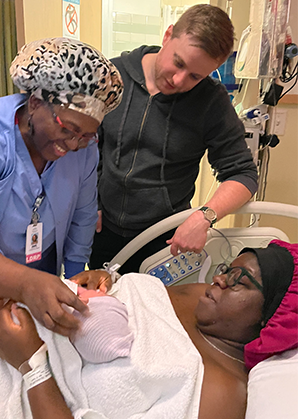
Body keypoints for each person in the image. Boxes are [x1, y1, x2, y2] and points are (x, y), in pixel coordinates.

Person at [0, 37, 123, 336]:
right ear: (35, 103)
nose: (72, 145)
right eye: (67, 129)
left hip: (41, 266)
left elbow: (83, 216)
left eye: (85, 135)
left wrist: (73, 278)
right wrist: (24, 283)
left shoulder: (85, 149)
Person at [0, 239, 297, 419]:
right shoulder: (205, 300)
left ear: (272, 319)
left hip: (8, 372)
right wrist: (106, 283)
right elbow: (138, 297)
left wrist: (33, 365)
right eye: (228, 269)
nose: (219, 279)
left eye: (240, 282)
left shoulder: (220, 396)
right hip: (4, 317)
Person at [90, 4, 258, 274]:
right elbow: (88, 146)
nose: (179, 80)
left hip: (166, 240)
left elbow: (244, 175)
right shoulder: (112, 76)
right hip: (102, 230)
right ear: (168, 36)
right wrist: (90, 201)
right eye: (178, 63)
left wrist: (205, 216)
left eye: (195, 76)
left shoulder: (211, 102)